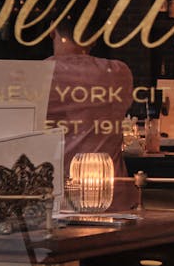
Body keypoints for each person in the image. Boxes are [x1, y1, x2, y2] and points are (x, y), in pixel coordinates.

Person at [44, 20, 134, 185]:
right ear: (94, 38)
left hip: (54, 194)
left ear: (51, 29)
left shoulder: (36, 75)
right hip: (111, 191)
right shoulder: (118, 72)